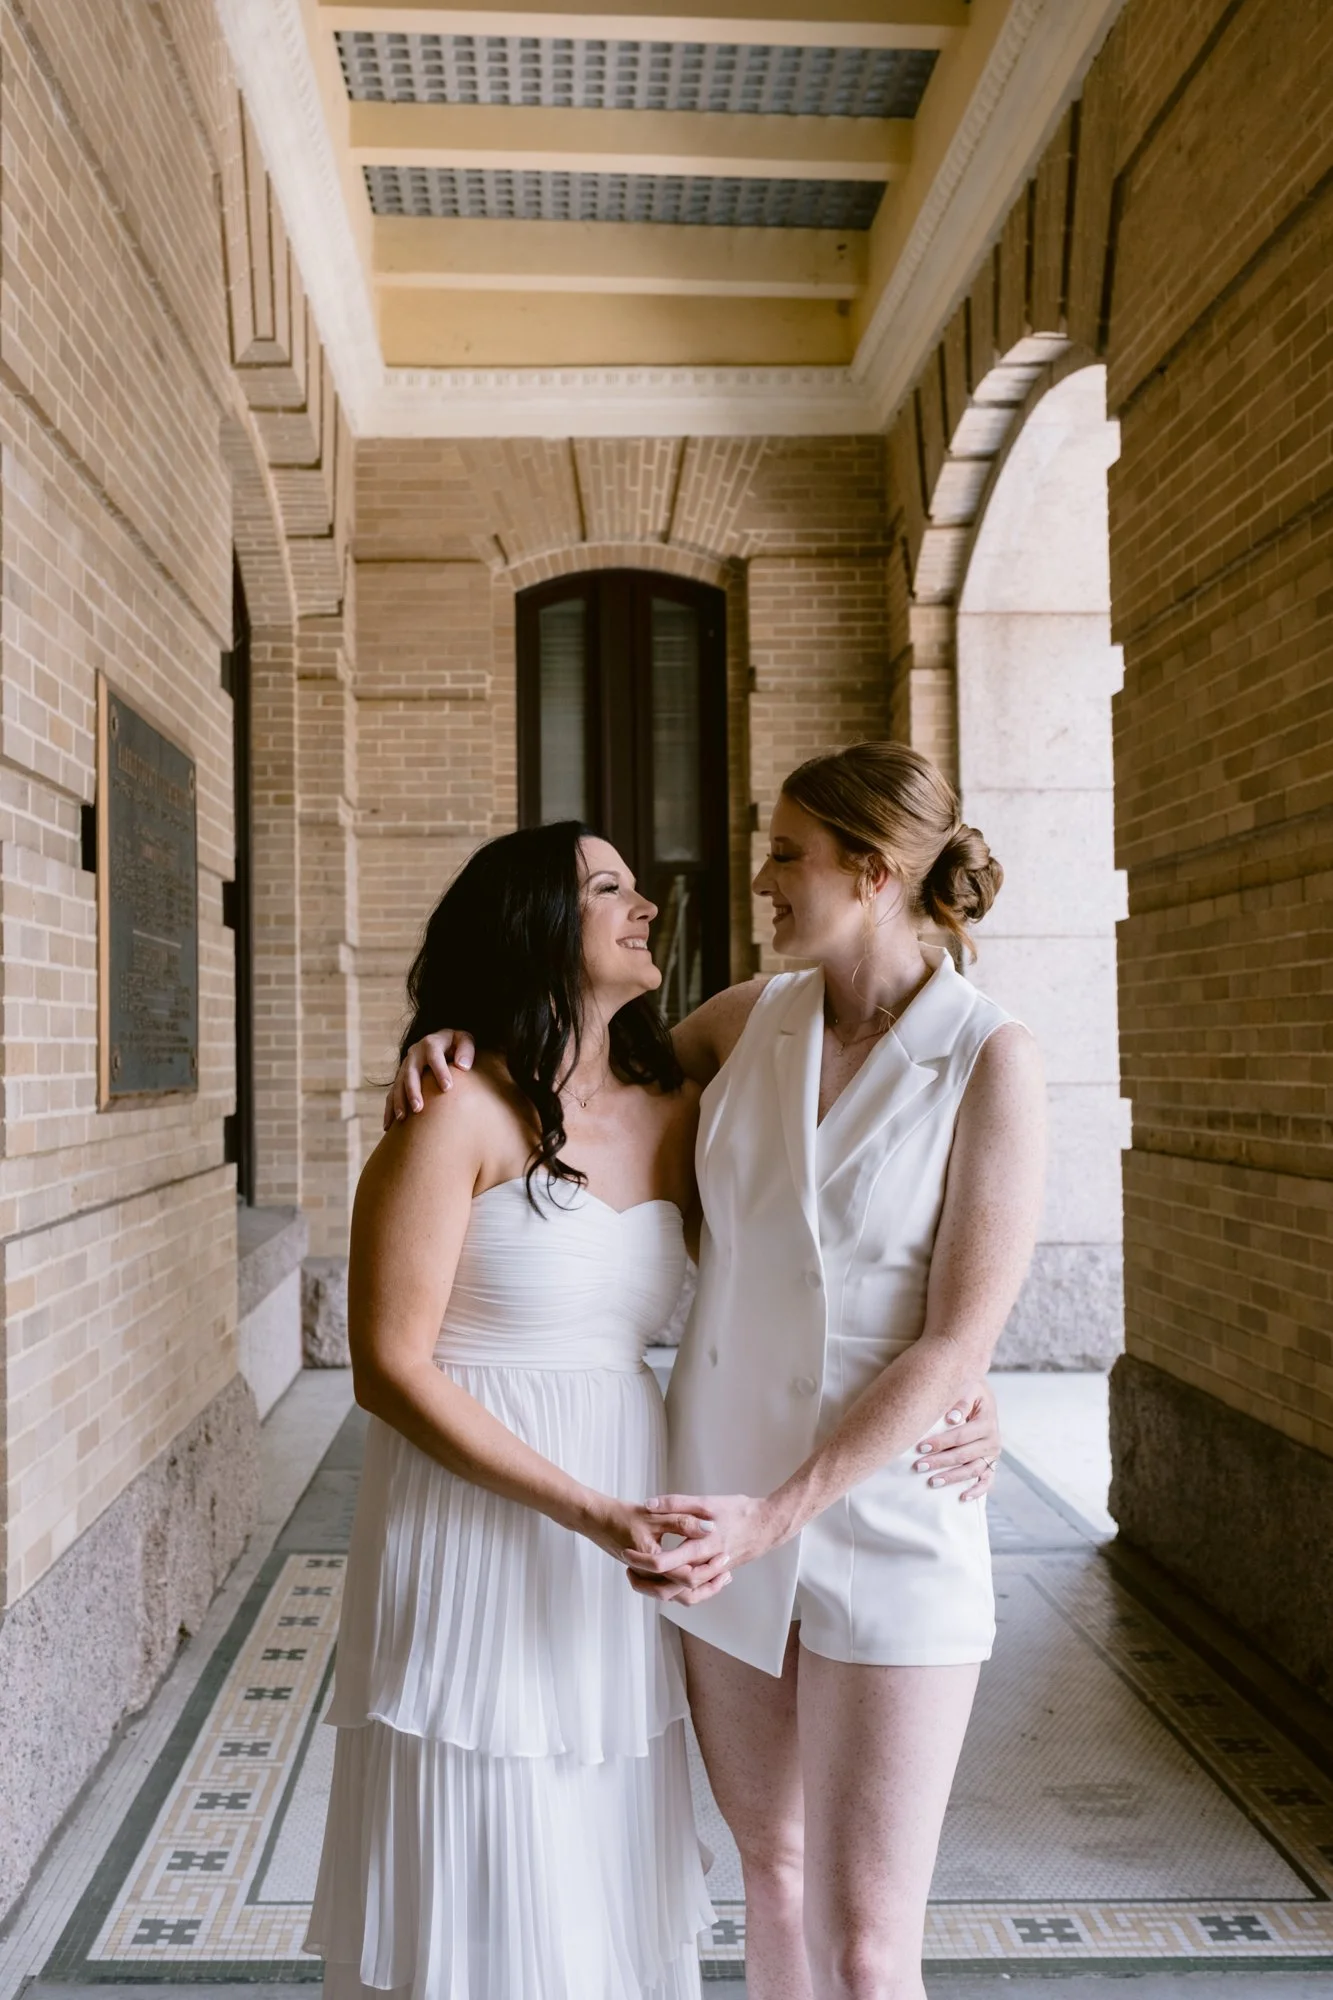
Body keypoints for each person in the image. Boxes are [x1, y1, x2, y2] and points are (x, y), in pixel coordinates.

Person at [388, 741, 1038, 2000]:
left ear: (875, 871)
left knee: (869, 1947)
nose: (760, 877)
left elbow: (955, 1332)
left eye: (788, 853)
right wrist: (457, 1036)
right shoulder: (746, 1020)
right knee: (769, 1871)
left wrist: (963, 1383)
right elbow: (577, 1090)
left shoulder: (988, 1054)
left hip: (882, 1509)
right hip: (717, 1497)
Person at [307, 823, 728, 2000]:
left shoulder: (681, 1103)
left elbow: (809, 1260)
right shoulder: (454, 1112)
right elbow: (387, 1367)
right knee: (484, 1821)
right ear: (535, 924)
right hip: (474, 1521)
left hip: (619, 1520)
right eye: (609, 889)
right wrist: (586, 1508)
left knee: (597, 1825)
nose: (646, 906)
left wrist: (956, 1373)